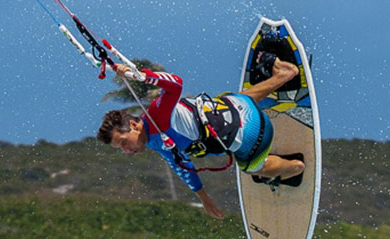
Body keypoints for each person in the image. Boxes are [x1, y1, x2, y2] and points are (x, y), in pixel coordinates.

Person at [96, 55, 305, 219]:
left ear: (133, 125)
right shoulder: (152, 136)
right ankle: (284, 75)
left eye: (124, 142)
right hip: (243, 107)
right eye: (120, 148)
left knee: (252, 169)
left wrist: (142, 76)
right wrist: (204, 198)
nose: (126, 150)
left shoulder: (157, 115)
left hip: (254, 133)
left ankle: (295, 167)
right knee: (226, 100)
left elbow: (176, 84)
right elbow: (180, 165)